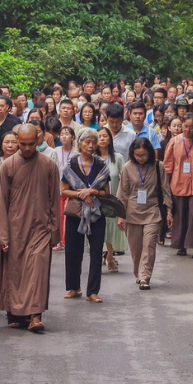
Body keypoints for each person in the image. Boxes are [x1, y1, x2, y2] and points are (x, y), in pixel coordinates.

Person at [0, 124, 60, 333]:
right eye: (22, 144)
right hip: (15, 228)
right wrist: (2, 235)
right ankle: (15, 313)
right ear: (16, 141)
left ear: (38, 140)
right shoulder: (8, 166)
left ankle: (35, 315)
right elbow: (1, 202)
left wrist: (54, 229)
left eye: (31, 144)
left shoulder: (49, 165)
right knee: (16, 271)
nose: (27, 148)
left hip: (41, 227)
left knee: (38, 270)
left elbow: (54, 200)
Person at [60, 128, 112, 302]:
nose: (90, 145)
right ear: (79, 143)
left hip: (96, 214)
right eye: (87, 142)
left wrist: (93, 191)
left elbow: (106, 193)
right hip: (76, 213)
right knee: (73, 251)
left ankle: (93, 291)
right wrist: (82, 194)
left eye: (93, 142)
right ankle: (74, 287)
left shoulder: (101, 165)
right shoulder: (71, 164)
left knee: (96, 252)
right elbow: (64, 190)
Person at [116, 138, 172, 289]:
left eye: (144, 155)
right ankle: (138, 272)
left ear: (150, 154)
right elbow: (123, 192)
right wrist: (120, 215)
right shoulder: (128, 167)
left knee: (149, 246)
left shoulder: (158, 166)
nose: (141, 158)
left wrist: (169, 212)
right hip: (132, 212)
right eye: (137, 155)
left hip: (152, 211)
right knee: (136, 249)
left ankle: (144, 277)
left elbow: (166, 189)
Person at [163, 114, 193, 260]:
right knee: (180, 215)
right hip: (177, 183)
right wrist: (166, 188)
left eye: (191, 126)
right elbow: (168, 167)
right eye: (185, 126)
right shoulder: (174, 142)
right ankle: (181, 245)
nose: (188, 129)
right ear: (182, 125)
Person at [96, 127, 126, 272]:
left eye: (105, 136)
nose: (102, 138)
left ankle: (109, 257)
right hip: (95, 200)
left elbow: (124, 179)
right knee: (98, 229)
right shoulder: (93, 158)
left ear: (110, 139)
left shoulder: (118, 157)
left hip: (113, 199)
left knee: (111, 229)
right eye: (99, 136)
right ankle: (101, 256)